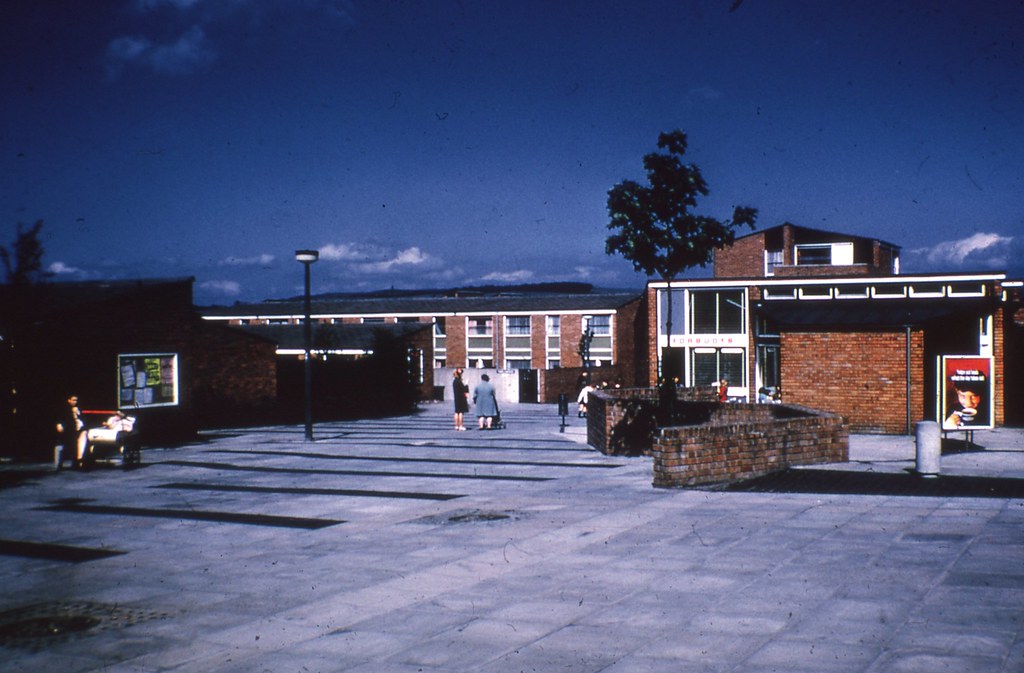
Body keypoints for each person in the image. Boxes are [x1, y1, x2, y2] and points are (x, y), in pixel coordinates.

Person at [55, 394, 86, 470]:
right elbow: (59, 417)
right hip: (68, 430)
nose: (75, 402)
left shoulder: (78, 409)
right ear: (69, 400)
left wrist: (78, 413)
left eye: (76, 400)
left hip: (77, 430)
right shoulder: (64, 409)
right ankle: (59, 465)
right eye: (73, 400)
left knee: (76, 447)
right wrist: (59, 424)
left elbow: (83, 419)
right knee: (62, 447)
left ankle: (75, 464)